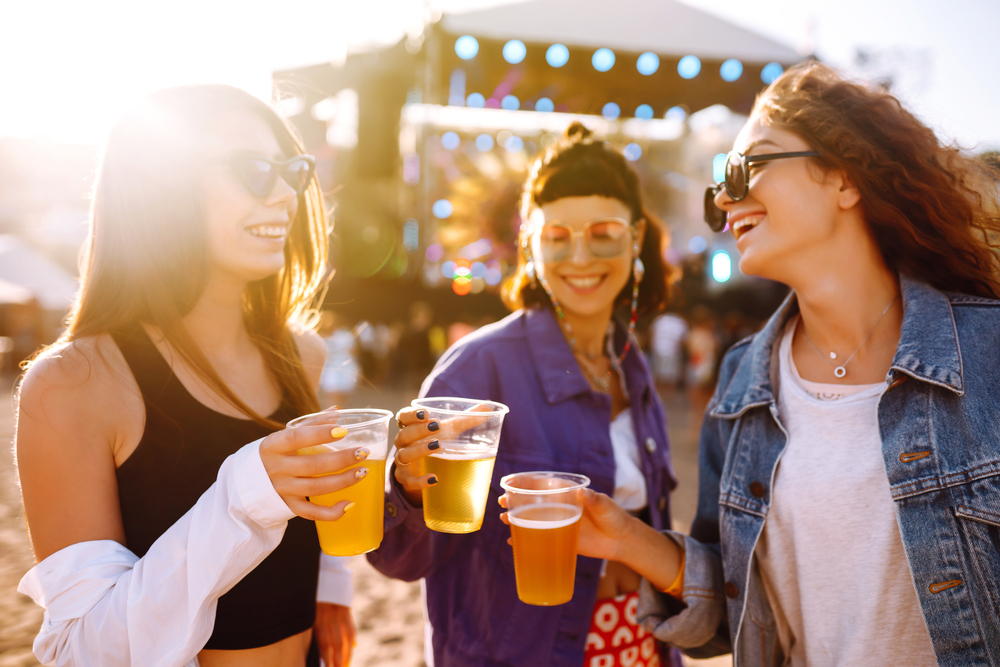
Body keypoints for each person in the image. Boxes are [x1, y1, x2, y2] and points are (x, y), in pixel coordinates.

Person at [568, 62, 1000, 665]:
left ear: (844, 179)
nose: (723, 197)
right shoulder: (745, 380)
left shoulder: (987, 352)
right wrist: (630, 540)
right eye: (720, 179)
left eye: (748, 167)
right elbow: (736, 610)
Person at [14, 85, 366, 667]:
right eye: (254, 170)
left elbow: (319, 507)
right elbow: (82, 652)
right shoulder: (72, 385)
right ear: (161, 186)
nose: (284, 194)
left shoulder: (303, 354)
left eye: (292, 171)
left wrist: (332, 585)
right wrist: (245, 497)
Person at [373, 122, 681, 667]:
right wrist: (412, 490)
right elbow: (400, 559)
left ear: (635, 239)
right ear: (530, 246)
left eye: (604, 232)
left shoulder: (630, 364)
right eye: (557, 236)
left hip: (641, 646)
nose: (581, 256)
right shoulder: (477, 370)